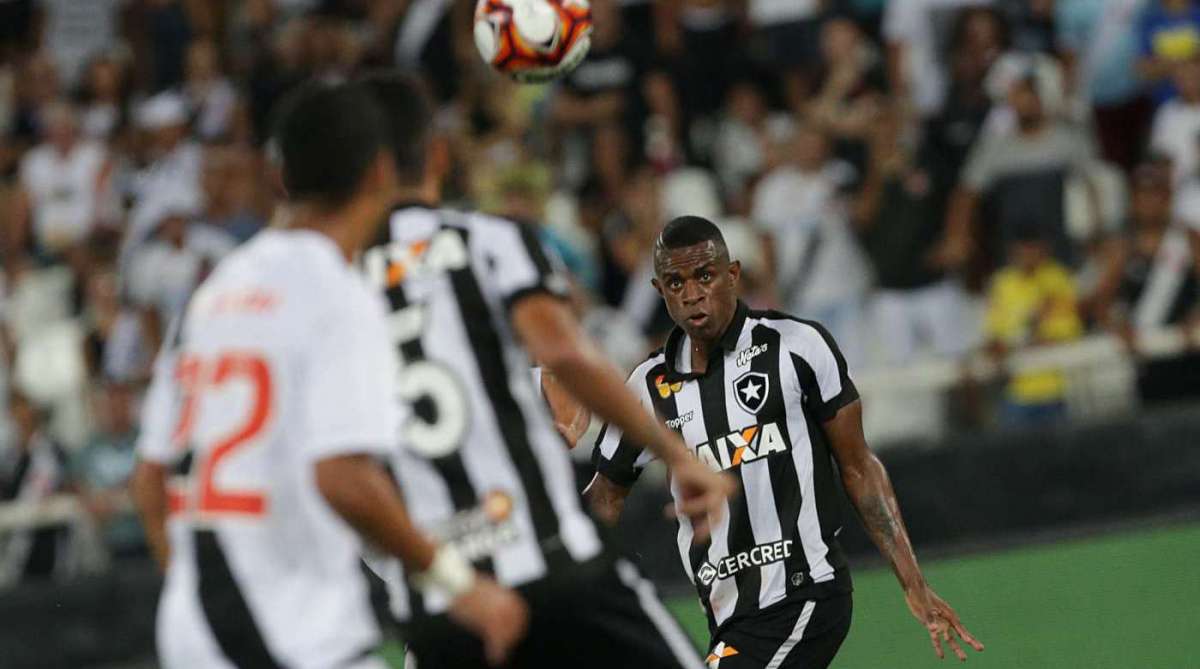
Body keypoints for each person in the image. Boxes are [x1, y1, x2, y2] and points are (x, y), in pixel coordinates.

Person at [130, 82, 526, 669]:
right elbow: (342, 476)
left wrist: (190, 584)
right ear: (381, 171)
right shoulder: (337, 292)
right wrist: (458, 583)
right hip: (290, 631)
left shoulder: (215, 290)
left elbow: (150, 477)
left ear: (278, 176)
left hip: (196, 627)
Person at [357, 72, 733, 669]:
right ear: (436, 153)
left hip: (441, 601)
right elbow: (562, 354)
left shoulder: (331, 287)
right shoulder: (490, 240)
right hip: (553, 563)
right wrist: (680, 457)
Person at [588, 216, 984, 668]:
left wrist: (913, 582)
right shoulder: (647, 386)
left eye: (704, 276)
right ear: (661, 291)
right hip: (730, 616)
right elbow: (605, 495)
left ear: (732, 275)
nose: (692, 293)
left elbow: (858, 465)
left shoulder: (798, 347)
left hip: (807, 592)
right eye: (676, 282)